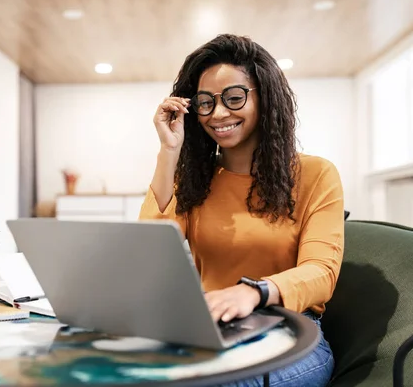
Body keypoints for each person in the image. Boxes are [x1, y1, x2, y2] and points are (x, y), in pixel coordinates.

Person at [139, 34, 343, 387]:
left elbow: (321, 272)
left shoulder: (316, 174)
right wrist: (169, 152)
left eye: (234, 98)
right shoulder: (195, 180)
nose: (218, 114)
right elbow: (150, 252)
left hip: (291, 334)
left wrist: (254, 291)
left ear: (265, 97)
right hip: (210, 330)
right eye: (204, 103)